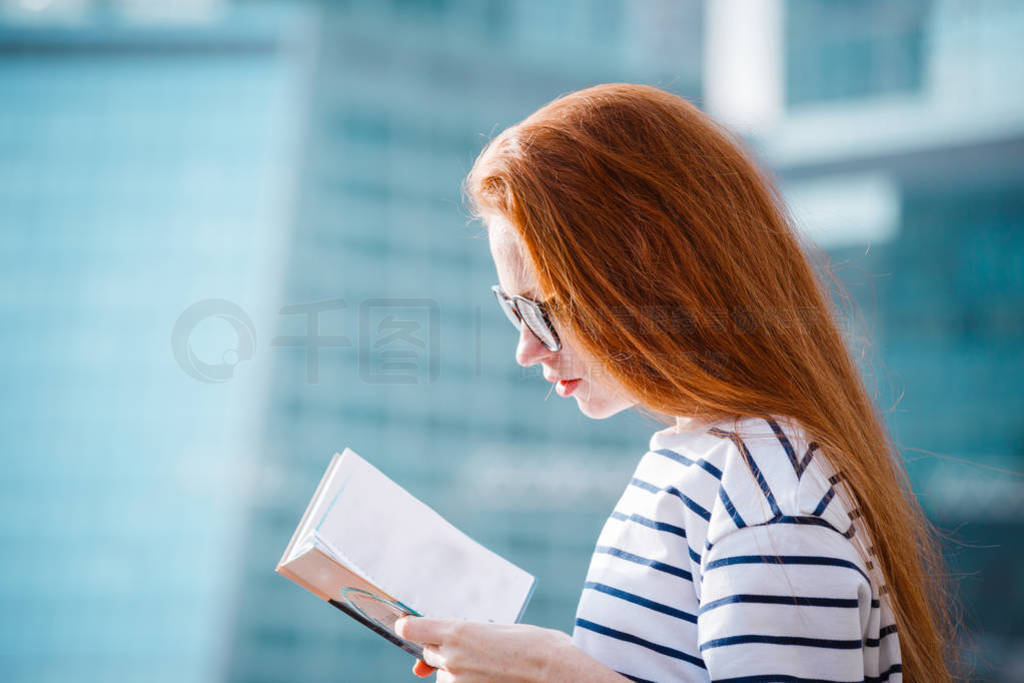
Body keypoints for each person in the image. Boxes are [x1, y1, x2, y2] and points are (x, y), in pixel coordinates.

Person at [393, 83, 957, 681]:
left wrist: (549, 671)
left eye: (543, 309)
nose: (526, 349)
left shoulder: (767, 500)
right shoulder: (716, 469)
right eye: (515, 311)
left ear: (645, 273)